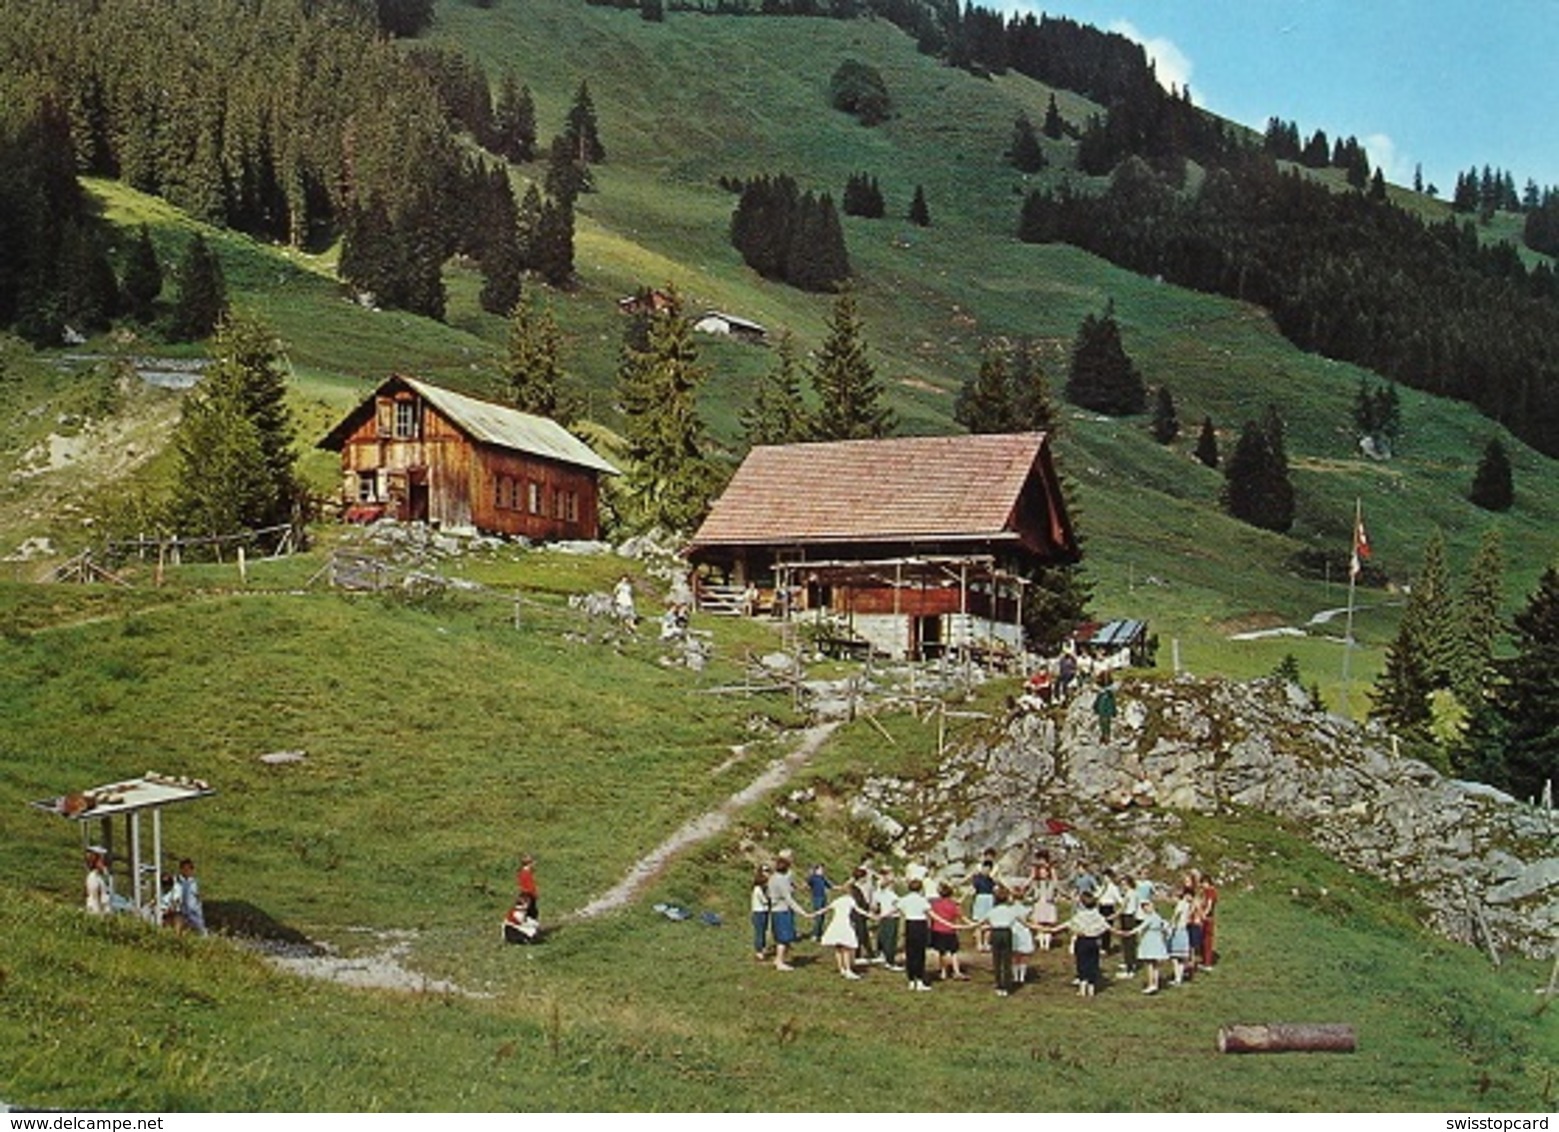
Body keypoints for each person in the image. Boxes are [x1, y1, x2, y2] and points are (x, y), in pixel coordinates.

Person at [766, 851, 812, 972]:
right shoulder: (781, 880)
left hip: (776, 910)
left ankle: (778, 959)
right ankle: (780, 962)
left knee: (781, 937)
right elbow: (789, 899)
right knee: (783, 938)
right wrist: (803, 912)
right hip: (782, 911)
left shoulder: (773, 877)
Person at [1060, 892, 1112, 997]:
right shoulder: (1098, 916)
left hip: (1082, 941)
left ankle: (1082, 990)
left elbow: (1068, 925)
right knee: (1093, 964)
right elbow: (1107, 927)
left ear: (1082, 904)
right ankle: (1091, 990)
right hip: (1094, 942)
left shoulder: (1079, 916)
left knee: (1082, 964)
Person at [978, 885, 1023, 997]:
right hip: (1006, 933)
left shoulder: (992, 911)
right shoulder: (1011, 911)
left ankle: (999, 986)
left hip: (996, 934)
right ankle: (1007, 987)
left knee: (997, 960)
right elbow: (1023, 922)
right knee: (1007, 960)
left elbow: (981, 923)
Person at [819, 886, 870, 980]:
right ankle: (848, 970)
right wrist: (871, 915)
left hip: (835, 925)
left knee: (838, 948)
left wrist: (810, 914)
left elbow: (825, 909)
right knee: (847, 947)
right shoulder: (850, 900)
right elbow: (859, 910)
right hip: (845, 925)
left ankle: (841, 969)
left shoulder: (838, 900)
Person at [895, 877, 934, 991]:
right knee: (920, 954)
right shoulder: (922, 900)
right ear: (921, 889)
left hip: (909, 925)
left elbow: (896, 909)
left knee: (910, 953)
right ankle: (920, 980)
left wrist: (880, 916)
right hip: (920, 925)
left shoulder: (905, 899)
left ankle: (911, 981)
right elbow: (930, 914)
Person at [928, 882, 973, 981]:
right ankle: (956, 971)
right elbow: (962, 917)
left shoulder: (935, 904)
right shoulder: (953, 905)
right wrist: (972, 925)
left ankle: (943, 972)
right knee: (954, 952)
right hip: (950, 931)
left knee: (942, 952)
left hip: (937, 930)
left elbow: (931, 916)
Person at [967, 854, 998, 951]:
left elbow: (996, 890)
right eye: (985, 868)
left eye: (989, 869)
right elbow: (972, 890)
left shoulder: (992, 880)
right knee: (978, 923)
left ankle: (986, 943)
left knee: (988, 922)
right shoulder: (977, 878)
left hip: (990, 899)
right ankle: (979, 943)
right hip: (980, 899)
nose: (986, 871)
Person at [873, 869, 902, 971]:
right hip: (891, 918)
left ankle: (882, 955)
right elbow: (897, 907)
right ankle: (890, 962)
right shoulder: (893, 896)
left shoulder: (881, 893)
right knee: (890, 940)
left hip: (883, 917)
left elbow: (875, 905)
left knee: (883, 937)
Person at [174, 857, 207, 935]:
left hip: (193, 911)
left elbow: (198, 895)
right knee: (180, 930)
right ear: (181, 869)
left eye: (189, 869)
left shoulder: (194, 882)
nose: (187, 871)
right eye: (184, 869)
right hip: (181, 911)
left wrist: (199, 907)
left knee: (201, 929)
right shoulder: (177, 881)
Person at [750, 864, 772, 961]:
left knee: (763, 931)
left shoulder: (763, 889)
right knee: (759, 932)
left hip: (764, 912)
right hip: (759, 913)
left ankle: (762, 949)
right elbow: (765, 901)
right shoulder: (758, 889)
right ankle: (759, 951)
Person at [807, 863, 834, 943]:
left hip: (823, 898)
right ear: (817, 870)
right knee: (818, 916)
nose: (823, 871)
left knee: (822, 916)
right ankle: (814, 935)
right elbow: (808, 884)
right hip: (817, 898)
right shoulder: (813, 878)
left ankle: (819, 933)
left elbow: (830, 886)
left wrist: (841, 887)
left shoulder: (823, 878)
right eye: (821, 869)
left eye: (823, 869)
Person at [84, 848, 111, 916]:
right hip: (96, 912)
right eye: (101, 861)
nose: (104, 864)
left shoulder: (100, 877)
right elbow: (95, 896)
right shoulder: (93, 877)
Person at [1092, 671, 1118, 742]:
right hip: (1105, 709)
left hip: (1105, 709)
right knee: (1105, 722)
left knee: (1104, 722)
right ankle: (1105, 735)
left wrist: (1095, 708)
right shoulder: (1106, 693)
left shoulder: (1106, 693)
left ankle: (1106, 736)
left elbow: (1112, 703)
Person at [517, 855, 539, 919]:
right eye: (533, 863)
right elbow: (529, 886)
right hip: (528, 895)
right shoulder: (526, 873)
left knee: (531, 912)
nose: (534, 865)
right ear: (529, 863)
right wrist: (534, 894)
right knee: (532, 912)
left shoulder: (524, 872)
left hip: (526, 895)